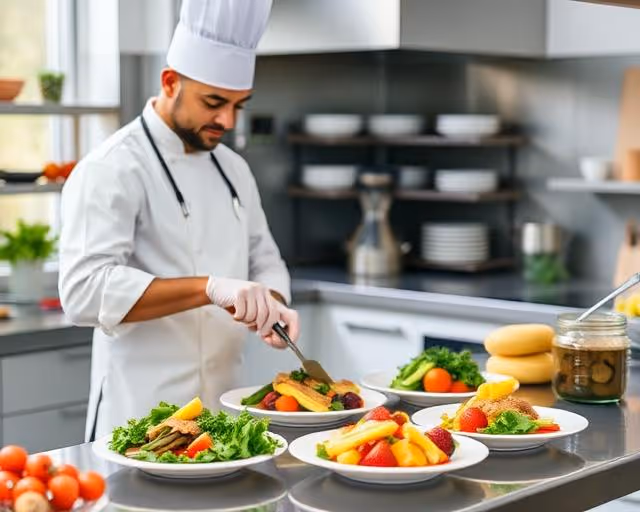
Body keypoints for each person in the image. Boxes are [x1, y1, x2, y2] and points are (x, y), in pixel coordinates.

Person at [58, 0, 298, 440]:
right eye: (213, 102)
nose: (226, 119)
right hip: (141, 418)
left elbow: (264, 258)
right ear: (170, 82)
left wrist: (273, 303)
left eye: (238, 105)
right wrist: (209, 288)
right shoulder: (112, 167)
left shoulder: (233, 168)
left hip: (224, 419)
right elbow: (82, 292)